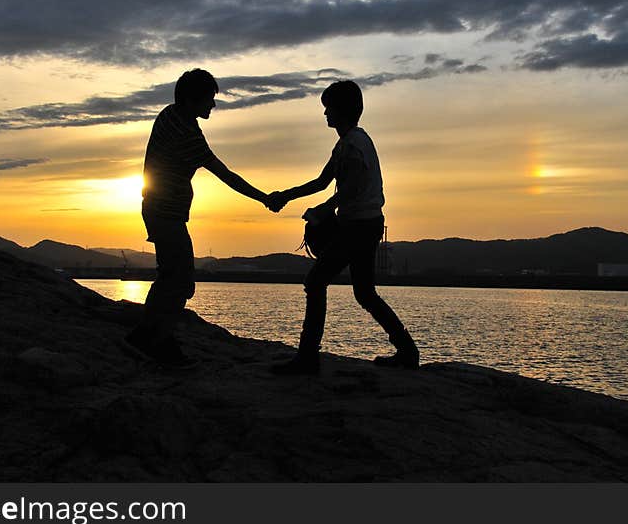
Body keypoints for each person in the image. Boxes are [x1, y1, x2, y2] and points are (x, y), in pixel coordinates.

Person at [266, 80, 418, 374]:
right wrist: (285, 195)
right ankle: (407, 351)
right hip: (368, 223)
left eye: (328, 109)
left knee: (315, 281)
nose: (325, 114)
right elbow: (322, 182)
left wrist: (322, 210)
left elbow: (349, 192)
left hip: (359, 227)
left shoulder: (351, 147)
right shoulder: (352, 141)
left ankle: (308, 357)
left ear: (341, 111)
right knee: (364, 293)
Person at [127, 68, 272, 367]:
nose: (213, 106)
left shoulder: (168, 115)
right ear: (193, 100)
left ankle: (144, 334)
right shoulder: (188, 133)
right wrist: (265, 198)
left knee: (169, 275)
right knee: (181, 281)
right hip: (166, 214)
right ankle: (159, 342)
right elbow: (226, 175)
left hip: (156, 209)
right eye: (210, 99)